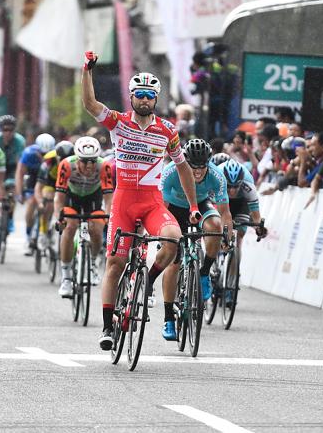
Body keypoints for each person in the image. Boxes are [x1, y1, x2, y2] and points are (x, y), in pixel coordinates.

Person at [81, 51, 200, 350]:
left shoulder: (168, 131)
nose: (145, 100)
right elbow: (90, 104)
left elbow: (183, 168)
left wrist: (195, 207)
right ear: (132, 97)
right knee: (115, 263)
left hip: (150, 200)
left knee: (174, 238)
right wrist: (87, 71)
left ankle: (149, 280)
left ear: (156, 98)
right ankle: (108, 327)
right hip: (124, 200)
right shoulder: (118, 122)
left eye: (150, 96)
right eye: (140, 95)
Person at [160, 139, 233, 339]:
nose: (198, 172)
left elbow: (225, 212)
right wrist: (164, 235)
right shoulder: (171, 171)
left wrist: (227, 234)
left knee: (216, 227)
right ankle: (168, 319)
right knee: (173, 261)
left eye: (202, 167)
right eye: (194, 167)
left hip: (200, 205)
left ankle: (203, 272)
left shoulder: (217, 175)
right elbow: (161, 207)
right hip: (173, 208)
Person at [53, 136, 114, 297]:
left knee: (97, 226)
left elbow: (109, 198)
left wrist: (109, 219)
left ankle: (92, 263)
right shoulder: (66, 165)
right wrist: (59, 217)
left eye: (93, 161)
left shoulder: (104, 166)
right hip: (72, 199)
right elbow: (59, 197)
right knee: (70, 227)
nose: (89, 165)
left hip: (93, 199)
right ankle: (66, 277)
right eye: (85, 161)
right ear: (77, 158)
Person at [15, 133, 57, 255]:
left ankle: (46, 227)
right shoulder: (28, 154)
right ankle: (29, 238)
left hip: (48, 180)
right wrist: (19, 192)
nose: (45, 156)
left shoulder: (56, 155)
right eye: (42, 154)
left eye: (47, 154)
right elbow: (20, 173)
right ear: (37, 149)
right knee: (31, 203)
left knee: (49, 203)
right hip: (33, 179)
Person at [220, 158, 267, 256]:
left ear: (241, 182)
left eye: (236, 186)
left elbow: (255, 215)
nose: (232, 191)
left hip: (241, 202)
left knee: (240, 233)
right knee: (218, 227)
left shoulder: (248, 184)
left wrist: (258, 227)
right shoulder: (217, 179)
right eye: (228, 186)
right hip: (221, 201)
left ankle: (235, 266)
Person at [0, 115, 26, 234]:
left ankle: (10, 217)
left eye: (10, 130)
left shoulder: (19, 141)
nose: (7, 133)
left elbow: (20, 163)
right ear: (1, 130)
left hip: (13, 168)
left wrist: (18, 184)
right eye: (5, 130)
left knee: (11, 190)